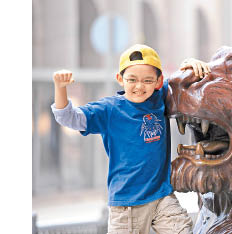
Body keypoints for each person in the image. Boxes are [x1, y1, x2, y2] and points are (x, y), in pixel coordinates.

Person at [51, 44, 210, 234]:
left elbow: (182, 80)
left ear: (158, 82)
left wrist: (191, 64)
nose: (139, 86)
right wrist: (60, 88)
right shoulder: (109, 110)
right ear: (120, 79)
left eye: (148, 80)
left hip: (161, 197)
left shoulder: (160, 97)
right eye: (132, 80)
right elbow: (69, 118)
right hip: (127, 206)